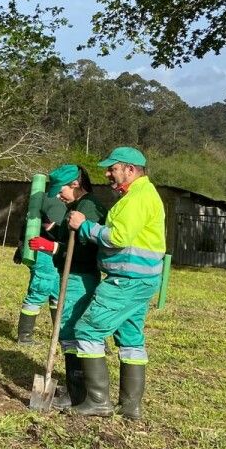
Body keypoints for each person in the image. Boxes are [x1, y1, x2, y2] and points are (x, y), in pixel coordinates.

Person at [63, 147, 166, 419]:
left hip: (127, 280)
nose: (108, 173)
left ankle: (98, 401)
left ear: (130, 170)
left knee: (87, 330)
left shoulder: (138, 198)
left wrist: (84, 225)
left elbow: (117, 237)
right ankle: (130, 407)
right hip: (141, 280)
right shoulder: (139, 195)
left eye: (113, 168)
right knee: (130, 339)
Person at [25, 165, 107, 410]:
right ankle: (75, 389)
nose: (57, 196)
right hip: (72, 275)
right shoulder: (76, 206)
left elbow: (85, 251)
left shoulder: (88, 207)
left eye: (60, 189)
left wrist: (52, 248)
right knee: (68, 331)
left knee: (70, 332)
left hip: (79, 278)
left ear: (74, 183)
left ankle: (77, 393)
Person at [15, 179, 64, 343]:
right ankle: (25, 335)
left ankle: (60, 332)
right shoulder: (55, 201)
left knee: (57, 292)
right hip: (43, 253)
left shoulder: (40, 198)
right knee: (40, 290)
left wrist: (20, 249)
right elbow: (48, 225)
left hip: (47, 252)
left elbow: (26, 227)